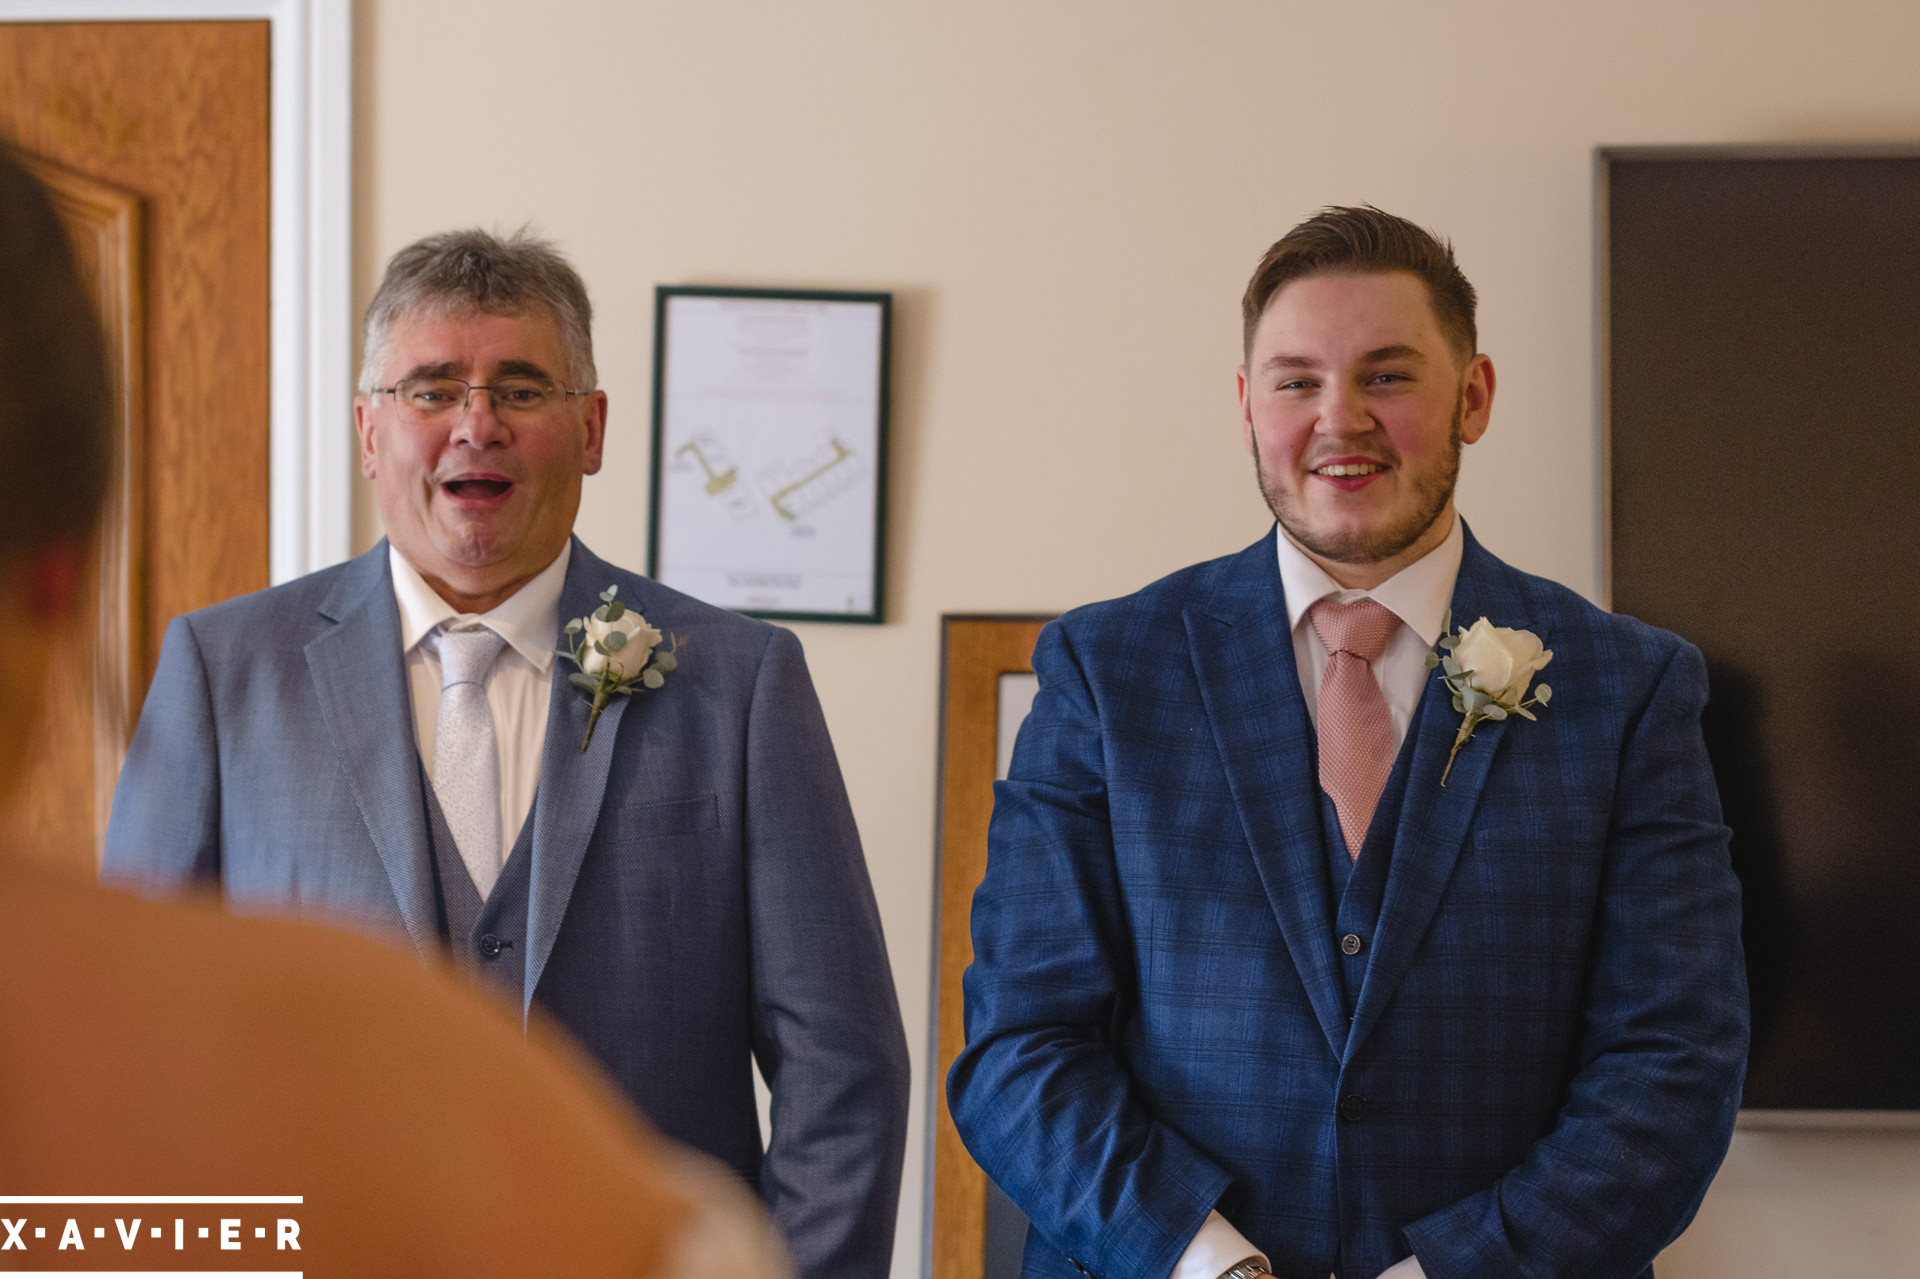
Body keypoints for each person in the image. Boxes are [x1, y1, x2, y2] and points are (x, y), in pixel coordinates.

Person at [0, 142, 787, 1278]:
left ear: (593, 428)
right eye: (431, 389)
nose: (477, 422)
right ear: (370, 432)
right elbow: (132, 1058)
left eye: (522, 388)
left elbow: (843, 1062)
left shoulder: (742, 677)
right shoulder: (223, 668)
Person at [947, 207, 1747, 1279]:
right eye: (1297, 382)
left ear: (1474, 396)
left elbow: (1675, 1059)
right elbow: (1019, 1046)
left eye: (1387, 376)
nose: (1340, 420)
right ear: (1246, 407)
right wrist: (1214, 1266)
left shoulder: (1630, 687)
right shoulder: (1104, 670)